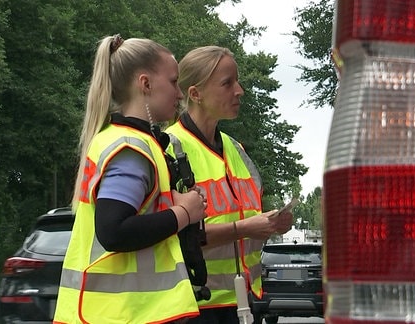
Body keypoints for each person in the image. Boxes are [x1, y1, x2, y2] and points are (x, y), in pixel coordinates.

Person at [53, 35, 207, 324]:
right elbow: (114, 231)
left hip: (115, 314)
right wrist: (185, 213)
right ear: (145, 84)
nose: (180, 93)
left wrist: (174, 205)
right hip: (125, 314)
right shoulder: (130, 149)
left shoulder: (122, 140)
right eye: (174, 82)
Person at [165, 45, 293, 324]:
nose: (239, 90)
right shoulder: (169, 148)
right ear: (195, 94)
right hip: (196, 306)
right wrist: (245, 228)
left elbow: (247, 220)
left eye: (237, 81)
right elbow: (170, 236)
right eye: (227, 83)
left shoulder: (236, 149)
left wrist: (271, 223)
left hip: (245, 303)